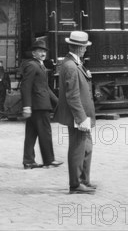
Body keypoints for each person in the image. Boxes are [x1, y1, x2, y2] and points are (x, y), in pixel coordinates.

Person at [55, 31, 96, 194]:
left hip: (82, 115)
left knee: (86, 148)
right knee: (78, 149)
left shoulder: (74, 63)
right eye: (84, 47)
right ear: (79, 48)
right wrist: (81, 118)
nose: (85, 50)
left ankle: (84, 180)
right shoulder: (71, 66)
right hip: (78, 116)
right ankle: (76, 183)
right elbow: (72, 96)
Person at [21, 40, 62, 170]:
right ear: (34, 53)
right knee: (45, 133)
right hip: (39, 105)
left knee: (31, 134)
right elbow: (25, 86)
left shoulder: (39, 66)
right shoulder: (33, 66)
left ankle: (28, 161)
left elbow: (45, 87)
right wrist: (26, 106)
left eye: (44, 51)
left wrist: (57, 102)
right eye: (40, 51)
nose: (43, 53)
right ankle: (49, 160)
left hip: (37, 105)